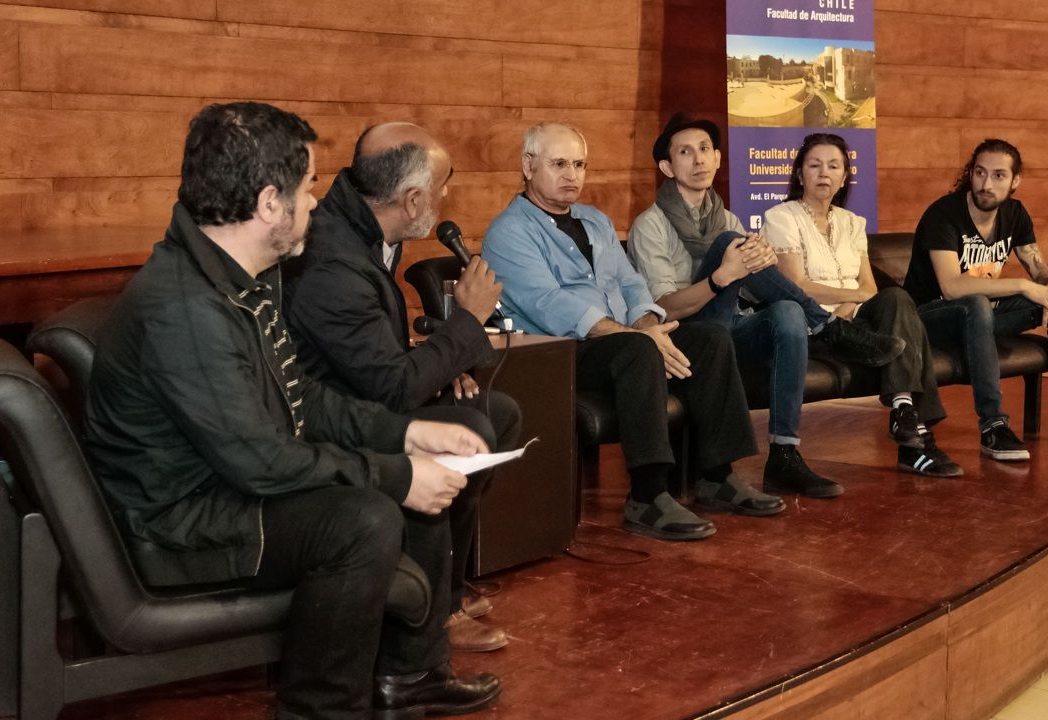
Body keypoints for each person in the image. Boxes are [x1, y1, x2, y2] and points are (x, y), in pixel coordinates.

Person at [83, 102, 501, 720]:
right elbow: (259, 460)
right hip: (178, 521)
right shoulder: (188, 309)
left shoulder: (235, 275)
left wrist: (405, 432)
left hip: (221, 483)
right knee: (363, 518)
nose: (315, 203)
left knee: (397, 478)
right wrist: (396, 474)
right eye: (307, 188)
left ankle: (408, 674)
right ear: (268, 203)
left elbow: (297, 394)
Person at [483, 122, 782, 541]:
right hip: (563, 352)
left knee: (710, 339)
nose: (572, 175)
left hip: (623, 340)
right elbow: (550, 305)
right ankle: (647, 495)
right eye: (559, 164)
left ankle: (717, 476)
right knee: (637, 351)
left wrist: (647, 326)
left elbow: (632, 285)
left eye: (579, 165)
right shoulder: (509, 232)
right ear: (529, 166)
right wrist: (639, 338)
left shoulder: (595, 221)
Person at [284, 122, 519, 653]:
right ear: (412, 201)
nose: (445, 196)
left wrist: (441, 364)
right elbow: (391, 389)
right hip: (333, 418)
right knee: (472, 428)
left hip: (364, 393)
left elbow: (374, 355)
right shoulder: (333, 263)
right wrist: (467, 320)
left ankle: (447, 587)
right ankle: (429, 617)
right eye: (442, 186)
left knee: (495, 414)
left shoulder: (363, 226)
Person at [628, 113, 909, 495]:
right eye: (685, 152)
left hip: (732, 324)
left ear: (718, 158)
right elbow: (666, 308)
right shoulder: (651, 225)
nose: (698, 160)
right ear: (667, 166)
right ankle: (828, 326)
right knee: (729, 242)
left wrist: (765, 263)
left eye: (705, 149)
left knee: (787, 310)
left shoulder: (728, 217)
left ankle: (784, 454)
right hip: (689, 334)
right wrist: (722, 276)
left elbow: (753, 294)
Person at [903, 138, 1048, 460]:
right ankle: (993, 426)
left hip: (980, 318)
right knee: (977, 304)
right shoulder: (944, 214)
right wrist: (1023, 285)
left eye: (998, 175)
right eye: (980, 173)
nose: (986, 184)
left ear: (1015, 180)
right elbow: (951, 287)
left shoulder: (1015, 214)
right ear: (970, 173)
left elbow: (1040, 270)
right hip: (929, 319)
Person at [763, 133, 963, 477]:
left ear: (844, 177)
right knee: (906, 328)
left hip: (854, 325)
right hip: (813, 327)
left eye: (833, 166)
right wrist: (850, 299)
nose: (824, 173)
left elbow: (870, 287)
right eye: (814, 165)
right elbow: (798, 287)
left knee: (897, 299)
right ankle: (917, 441)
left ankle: (904, 411)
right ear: (800, 174)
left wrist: (847, 306)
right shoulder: (781, 217)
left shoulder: (852, 223)